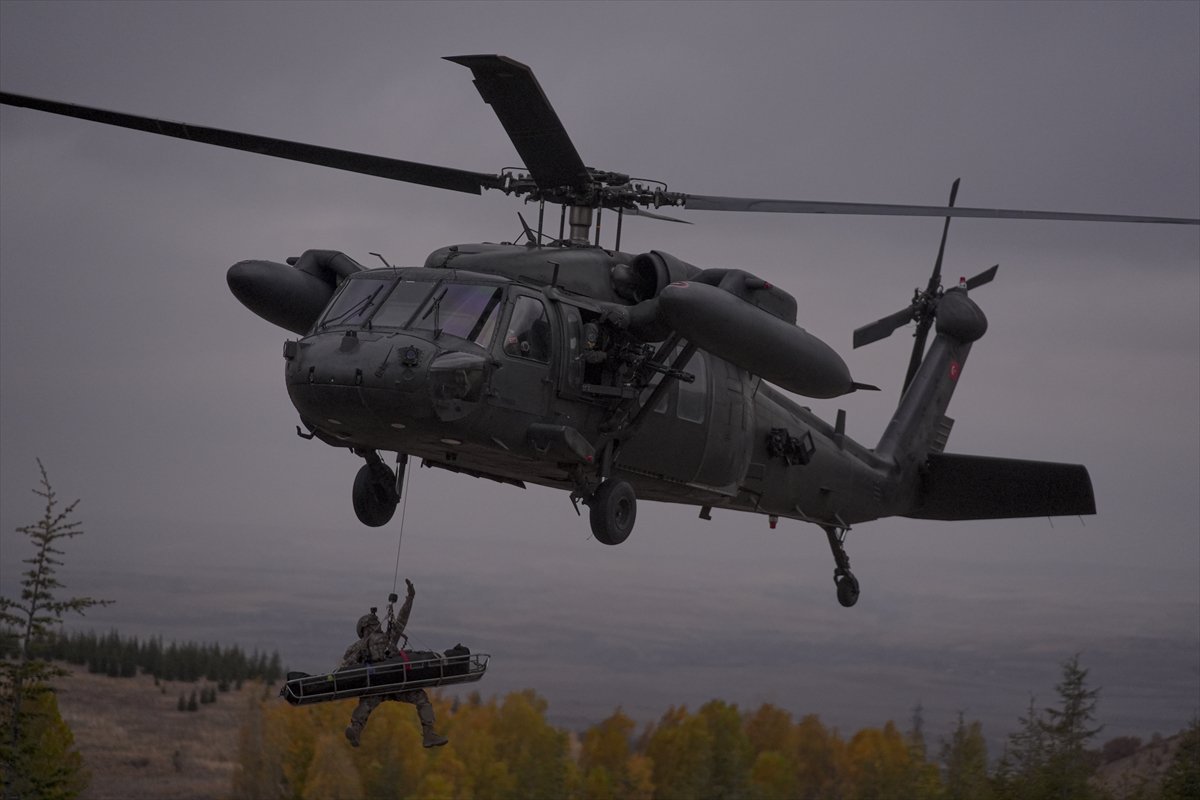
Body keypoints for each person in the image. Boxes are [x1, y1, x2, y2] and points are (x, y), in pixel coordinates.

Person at [340, 579, 448, 748]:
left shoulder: (359, 646)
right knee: (422, 699)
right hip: (398, 682)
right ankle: (428, 734)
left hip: (376, 685)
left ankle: (355, 728)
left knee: (366, 704)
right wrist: (410, 598)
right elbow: (402, 620)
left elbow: (346, 666)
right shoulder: (388, 639)